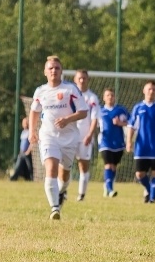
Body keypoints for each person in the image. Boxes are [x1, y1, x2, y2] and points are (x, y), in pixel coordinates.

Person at [29, 55, 87, 220]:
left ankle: (62, 192)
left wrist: (67, 119)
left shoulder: (70, 89)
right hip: (48, 136)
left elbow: (83, 112)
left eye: (57, 68)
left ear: (61, 71)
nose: (54, 70)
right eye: (50, 68)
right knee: (51, 169)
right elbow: (34, 111)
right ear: (45, 72)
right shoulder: (40, 91)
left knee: (65, 175)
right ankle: (55, 208)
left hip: (69, 137)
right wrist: (32, 131)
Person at [126, 80, 155, 203]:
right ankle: (150, 190)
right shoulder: (138, 108)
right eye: (149, 89)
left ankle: (152, 199)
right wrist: (129, 142)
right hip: (142, 147)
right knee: (139, 174)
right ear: (144, 91)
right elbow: (131, 126)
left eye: (154, 89)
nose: (151, 91)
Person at [73, 70, 100, 202]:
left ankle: (81, 194)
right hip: (69, 136)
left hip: (85, 137)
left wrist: (90, 134)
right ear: (75, 79)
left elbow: (95, 118)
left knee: (83, 165)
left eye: (84, 78)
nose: (82, 80)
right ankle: (62, 191)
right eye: (79, 78)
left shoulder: (92, 98)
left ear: (88, 79)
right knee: (63, 163)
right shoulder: (69, 96)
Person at [98, 87, 129, 198]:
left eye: (112, 95)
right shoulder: (100, 111)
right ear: (104, 98)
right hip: (105, 142)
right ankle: (110, 190)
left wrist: (120, 123)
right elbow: (93, 124)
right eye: (108, 95)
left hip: (119, 142)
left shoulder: (121, 110)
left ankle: (107, 185)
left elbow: (131, 123)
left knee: (114, 167)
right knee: (108, 165)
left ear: (115, 97)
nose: (110, 97)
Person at [10, 117, 34, 181]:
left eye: (26, 123)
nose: (25, 124)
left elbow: (32, 143)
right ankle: (13, 178)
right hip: (22, 153)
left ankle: (31, 179)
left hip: (27, 153)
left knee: (29, 167)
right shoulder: (23, 132)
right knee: (17, 166)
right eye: (24, 123)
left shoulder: (30, 132)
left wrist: (28, 151)